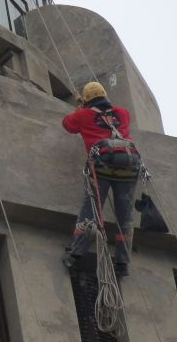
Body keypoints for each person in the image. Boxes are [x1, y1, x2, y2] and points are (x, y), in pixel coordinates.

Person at [61, 81, 141, 277]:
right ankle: (123, 264)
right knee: (125, 216)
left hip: (102, 166)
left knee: (91, 211)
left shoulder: (82, 115)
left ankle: (75, 254)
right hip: (129, 166)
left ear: (87, 99)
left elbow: (67, 124)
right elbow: (112, 121)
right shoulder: (123, 113)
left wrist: (81, 109)